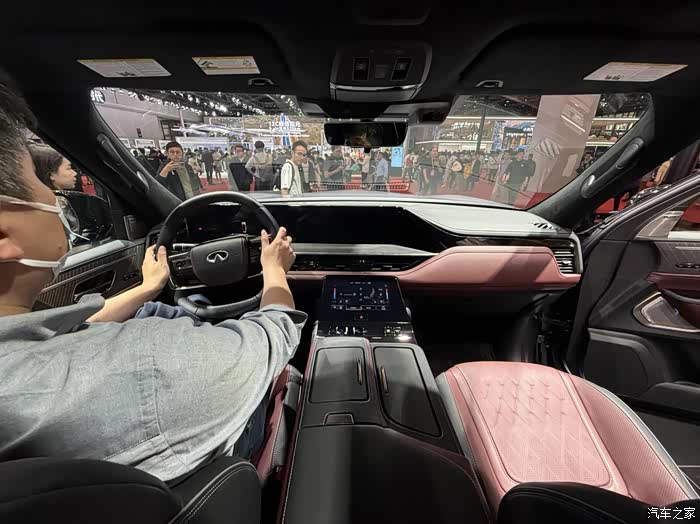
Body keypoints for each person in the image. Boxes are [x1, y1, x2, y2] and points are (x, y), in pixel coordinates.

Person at [0, 84, 306, 480]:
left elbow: (71, 328)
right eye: (40, 182)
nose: (55, 197)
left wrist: (148, 287)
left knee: (158, 310)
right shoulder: (149, 362)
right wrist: (275, 269)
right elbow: (275, 334)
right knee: (283, 377)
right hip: (220, 480)